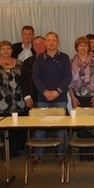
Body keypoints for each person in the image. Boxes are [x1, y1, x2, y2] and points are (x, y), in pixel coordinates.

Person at [32, 32, 72, 165]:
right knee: (40, 129)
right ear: (45, 43)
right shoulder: (39, 59)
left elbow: (68, 77)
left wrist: (57, 91)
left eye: (53, 40)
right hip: (43, 98)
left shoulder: (65, 58)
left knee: (61, 129)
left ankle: (61, 155)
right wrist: (45, 92)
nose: (51, 42)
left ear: (58, 42)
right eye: (48, 40)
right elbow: (36, 78)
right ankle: (37, 155)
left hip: (60, 97)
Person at [0, 40, 33, 157]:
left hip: (17, 99)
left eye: (8, 48)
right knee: (4, 126)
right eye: (3, 49)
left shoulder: (19, 63)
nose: (5, 51)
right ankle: (5, 151)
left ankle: (14, 150)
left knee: (17, 127)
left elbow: (24, 81)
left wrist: (26, 96)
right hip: (0, 100)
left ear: (11, 50)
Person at [69, 36, 94, 161]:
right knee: (81, 125)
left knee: (91, 124)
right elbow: (69, 83)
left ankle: (90, 151)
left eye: (85, 45)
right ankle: (83, 151)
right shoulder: (71, 62)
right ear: (77, 47)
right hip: (77, 97)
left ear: (88, 47)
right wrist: (72, 97)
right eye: (81, 45)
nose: (83, 47)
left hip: (92, 96)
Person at [22, 36, 47, 107]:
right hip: (34, 99)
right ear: (32, 47)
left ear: (46, 45)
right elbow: (23, 81)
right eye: (35, 44)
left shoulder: (54, 60)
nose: (38, 46)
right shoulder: (27, 62)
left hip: (52, 98)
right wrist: (27, 96)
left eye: (41, 44)